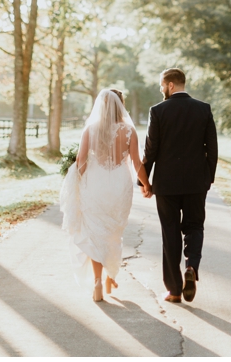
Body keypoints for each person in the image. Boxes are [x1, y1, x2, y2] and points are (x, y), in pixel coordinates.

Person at [59, 88, 152, 302]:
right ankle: (111, 275)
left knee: (95, 232)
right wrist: (147, 185)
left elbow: (81, 163)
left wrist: (76, 182)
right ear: (121, 105)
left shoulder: (90, 130)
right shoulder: (128, 130)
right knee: (113, 232)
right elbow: (137, 163)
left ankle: (98, 281)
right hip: (119, 185)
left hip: (96, 185)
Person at [141, 67, 218, 304]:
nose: (161, 89)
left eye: (162, 85)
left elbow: (150, 149)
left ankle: (174, 290)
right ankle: (192, 266)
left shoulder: (158, 111)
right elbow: (212, 148)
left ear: (170, 85)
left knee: (170, 232)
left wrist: (144, 181)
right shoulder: (203, 109)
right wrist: (208, 178)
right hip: (196, 182)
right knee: (194, 227)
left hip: (166, 184)